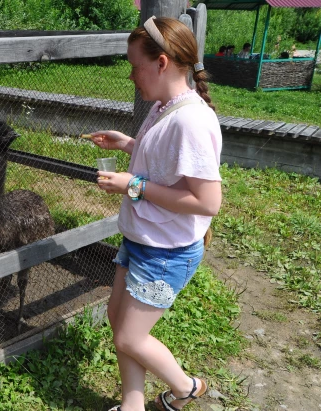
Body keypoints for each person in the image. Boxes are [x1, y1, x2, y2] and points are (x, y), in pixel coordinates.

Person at [88, 16, 222, 411]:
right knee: (118, 319)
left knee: (130, 337)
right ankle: (133, 405)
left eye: (135, 65)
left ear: (162, 63)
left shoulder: (192, 121)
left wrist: (135, 186)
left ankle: (186, 387)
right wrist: (129, 143)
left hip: (166, 251)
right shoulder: (166, 106)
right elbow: (165, 161)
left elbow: (207, 202)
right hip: (144, 238)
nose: (131, 75)